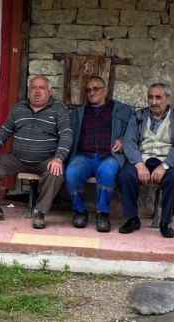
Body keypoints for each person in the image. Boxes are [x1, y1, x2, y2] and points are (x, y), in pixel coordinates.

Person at [0, 75, 72, 229]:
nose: (37, 91)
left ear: (49, 91)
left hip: (45, 161)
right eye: (33, 88)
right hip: (18, 159)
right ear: (28, 91)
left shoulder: (59, 109)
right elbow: (4, 131)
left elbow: (66, 135)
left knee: (56, 172)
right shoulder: (19, 108)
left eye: (41, 88)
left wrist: (59, 158)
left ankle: (40, 212)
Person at [117, 83, 174, 238]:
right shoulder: (139, 116)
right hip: (142, 158)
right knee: (125, 175)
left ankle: (165, 221)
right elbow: (129, 142)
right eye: (150, 97)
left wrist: (165, 166)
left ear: (168, 99)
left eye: (158, 97)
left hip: (168, 161)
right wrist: (139, 164)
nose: (153, 101)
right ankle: (132, 218)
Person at [65, 76, 132, 232]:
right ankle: (80, 211)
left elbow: (133, 131)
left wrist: (123, 140)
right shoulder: (78, 113)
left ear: (105, 91)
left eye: (96, 89)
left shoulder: (122, 110)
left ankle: (103, 214)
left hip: (109, 156)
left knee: (108, 172)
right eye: (88, 90)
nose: (91, 92)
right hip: (84, 155)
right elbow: (66, 134)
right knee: (72, 172)